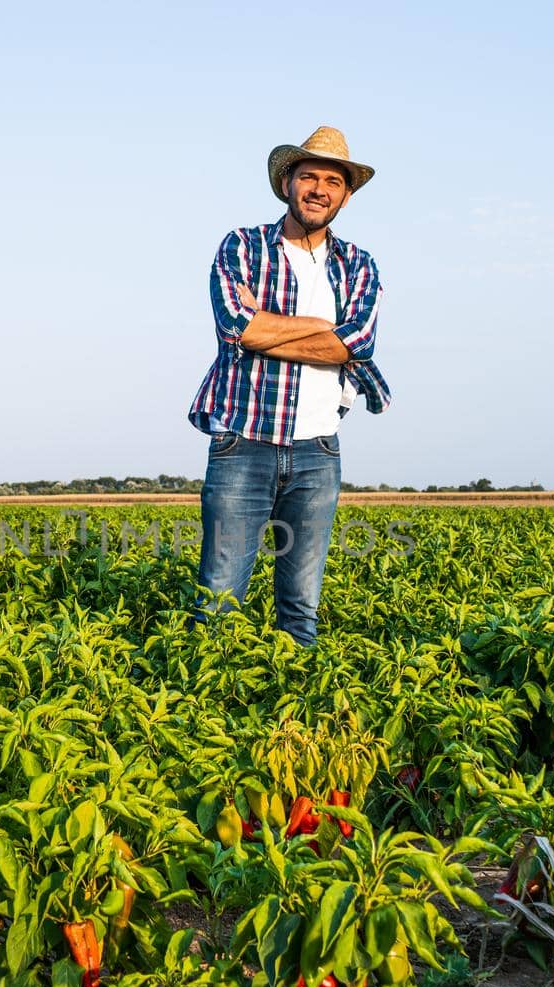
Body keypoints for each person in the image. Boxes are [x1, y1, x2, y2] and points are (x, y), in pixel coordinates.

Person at [186, 126, 392, 646]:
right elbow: (238, 326)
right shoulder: (242, 246)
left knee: (301, 609)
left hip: (317, 450)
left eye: (332, 181)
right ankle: (208, 711)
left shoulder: (359, 265)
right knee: (218, 600)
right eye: (309, 177)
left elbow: (356, 344)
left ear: (345, 195)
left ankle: (291, 716)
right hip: (243, 442)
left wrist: (270, 328)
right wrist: (323, 325)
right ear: (287, 183)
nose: (319, 189)